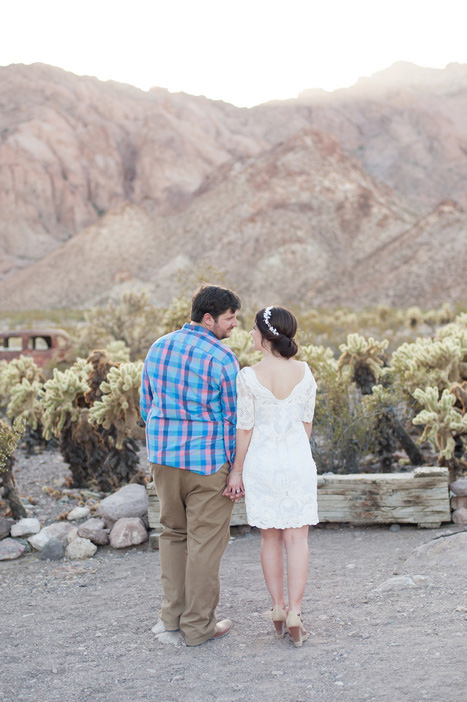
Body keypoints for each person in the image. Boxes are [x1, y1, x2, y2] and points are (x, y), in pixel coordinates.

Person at [140, 284, 242, 647]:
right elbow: (233, 419)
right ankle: (198, 627)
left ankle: (170, 619)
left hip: (164, 461)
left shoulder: (158, 347)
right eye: (230, 319)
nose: (234, 326)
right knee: (205, 545)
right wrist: (235, 469)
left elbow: (146, 403)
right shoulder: (222, 358)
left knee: (172, 535)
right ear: (209, 317)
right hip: (207, 463)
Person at [223, 305, 318, 647]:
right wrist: (292, 451)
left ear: (265, 336)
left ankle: (277, 608)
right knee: (298, 539)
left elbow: (244, 429)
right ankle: (295, 611)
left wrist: (236, 471)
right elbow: (305, 426)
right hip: (296, 460)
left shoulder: (247, 376)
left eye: (252, 329)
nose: (249, 334)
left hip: (261, 462)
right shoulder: (306, 373)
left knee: (270, 539)